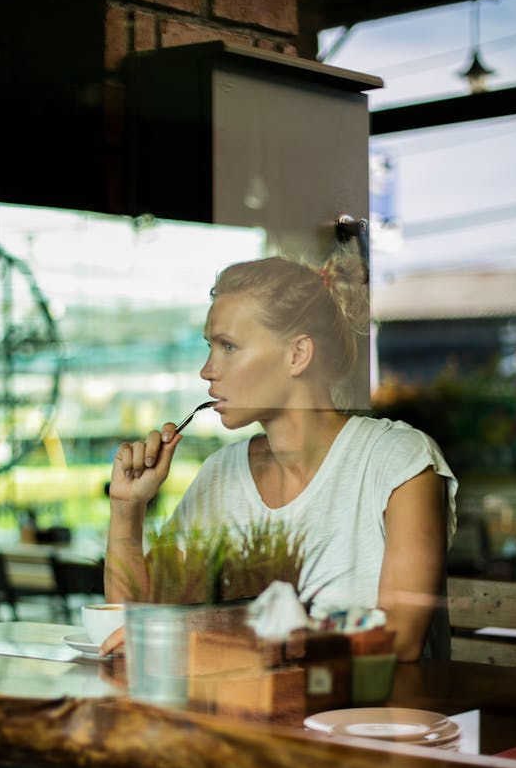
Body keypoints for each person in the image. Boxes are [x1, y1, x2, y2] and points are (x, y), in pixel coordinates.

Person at [103, 249, 457, 661]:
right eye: (210, 346)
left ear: (297, 355)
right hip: (252, 716)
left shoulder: (398, 461)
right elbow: (135, 629)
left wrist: (201, 632)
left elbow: (400, 639)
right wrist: (127, 508)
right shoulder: (220, 475)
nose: (207, 369)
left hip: (372, 721)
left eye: (229, 346)